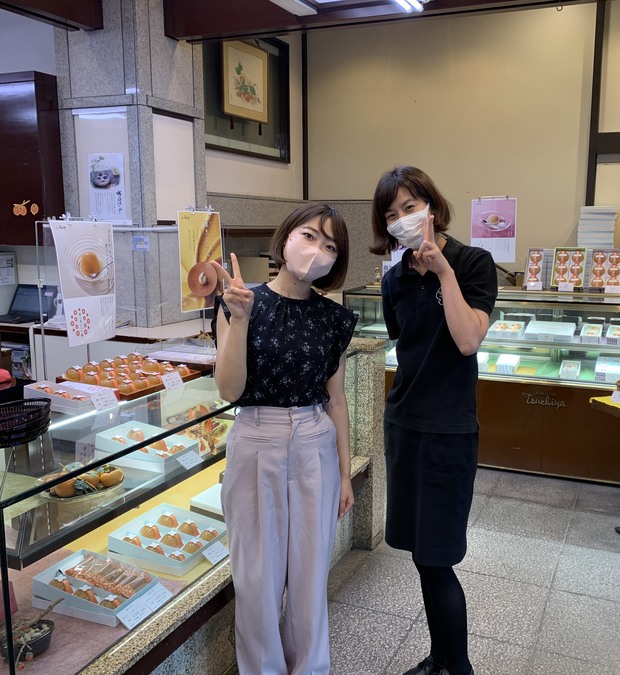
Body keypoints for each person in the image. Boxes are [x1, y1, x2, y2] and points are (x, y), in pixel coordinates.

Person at [212, 203, 357, 675]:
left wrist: (345, 473)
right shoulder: (239, 300)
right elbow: (229, 390)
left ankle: (310, 668)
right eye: (309, 236)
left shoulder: (334, 318)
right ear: (287, 236)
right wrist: (239, 319)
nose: (316, 251)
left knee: (311, 575)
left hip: (315, 437)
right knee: (256, 577)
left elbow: (336, 399)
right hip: (257, 435)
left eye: (329, 246)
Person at [370, 166, 498, 675]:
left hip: (449, 429)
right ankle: (439, 659)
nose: (402, 219)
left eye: (409, 207)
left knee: (438, 557)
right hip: (404, 424)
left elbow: (467, 340)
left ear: (432, 206)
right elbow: (403, 342)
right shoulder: (395, 279)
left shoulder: (472, 262)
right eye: (392, 214)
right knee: (421, 555)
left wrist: (444, 273)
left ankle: (457, 668)